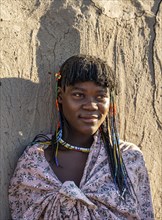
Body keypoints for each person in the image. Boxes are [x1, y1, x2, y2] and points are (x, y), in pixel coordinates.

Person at [9, 55, 154, 219]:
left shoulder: (127, 160)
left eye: (100, 96)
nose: (91, 105)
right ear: (60, 97)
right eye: (78, 95)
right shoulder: (35, 163)